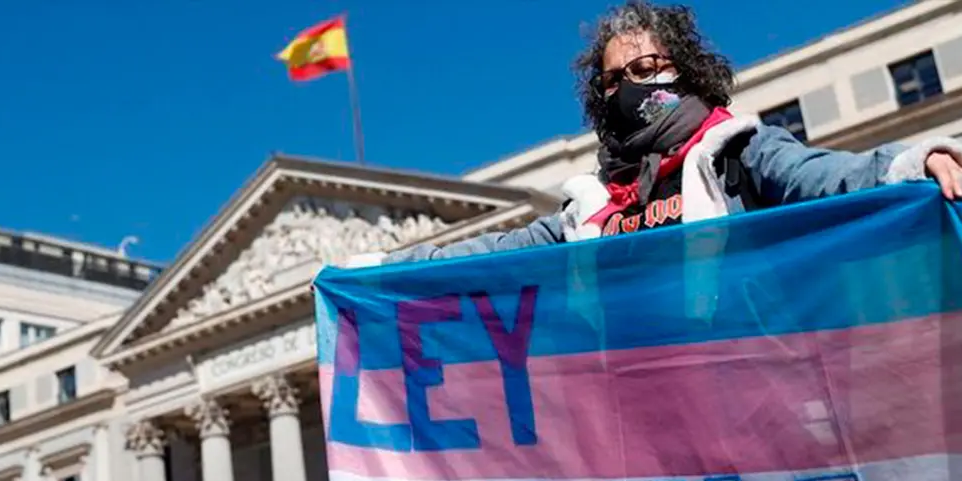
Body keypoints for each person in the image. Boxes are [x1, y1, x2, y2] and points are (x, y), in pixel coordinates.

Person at [365, 1, 962, 266]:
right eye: (615, 80)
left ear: (685, 70)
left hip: (748, 387)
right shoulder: (590, 207)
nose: (633, 87)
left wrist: (917, 160)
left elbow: (825, 178)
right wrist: (386, 268)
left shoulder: (738, 151)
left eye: (648, 70)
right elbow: (491, 256)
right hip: (639, 414)